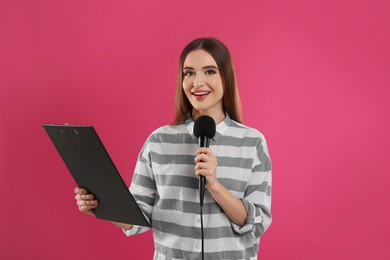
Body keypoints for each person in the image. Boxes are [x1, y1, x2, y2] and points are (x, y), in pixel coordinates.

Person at [74, 37, 272, 259]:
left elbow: (257, 223)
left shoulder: (252, 142)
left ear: (226, 77)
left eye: (209, 71)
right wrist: (101, 206)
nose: (197, 82)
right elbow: (138, 217)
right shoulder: (158, 142)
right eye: (189, 73)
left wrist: (215, 185)